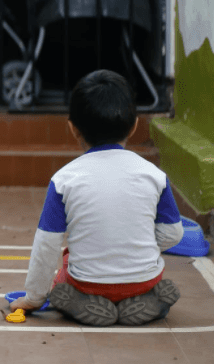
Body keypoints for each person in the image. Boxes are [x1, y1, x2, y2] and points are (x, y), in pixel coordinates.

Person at [10, 69, 184, 326]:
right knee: (150, 280)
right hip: (141, 281)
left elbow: (47, 245)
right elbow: (173, 234)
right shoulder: (155, 176)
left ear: (73, 129)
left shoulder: (63, 180)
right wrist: (137, 243)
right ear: (135, 125)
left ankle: (76, 304)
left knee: (62, 278)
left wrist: (34, 298)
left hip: (87, 284)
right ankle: (153, 301)